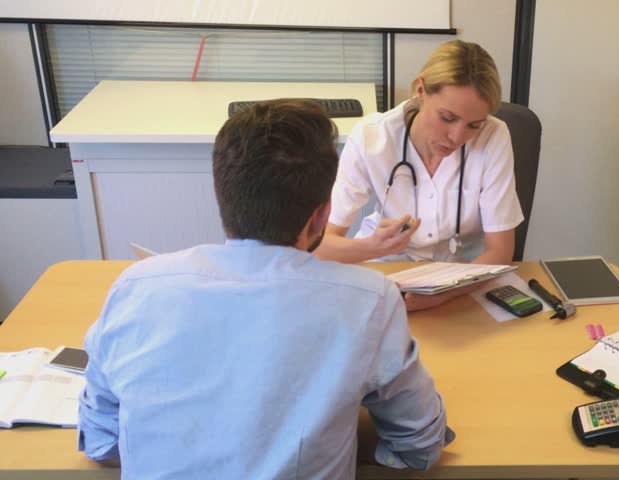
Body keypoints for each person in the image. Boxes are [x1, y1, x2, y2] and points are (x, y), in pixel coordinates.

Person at [77, 99, 454, 478]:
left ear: (222, 194)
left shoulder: (136, 287)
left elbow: (101, 443)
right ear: (322, 214)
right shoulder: (369, 300)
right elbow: (420, 446)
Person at [314, 40, 524, 311]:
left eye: (474, 125)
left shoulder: (494, 136)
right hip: (387, 273)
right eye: (447, 118)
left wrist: (443, 293)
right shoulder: (372, 137)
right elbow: (320, 248)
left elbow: (499, 252)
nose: (457, 138)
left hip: (465, 276)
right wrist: (375, 247)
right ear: (421, 91)